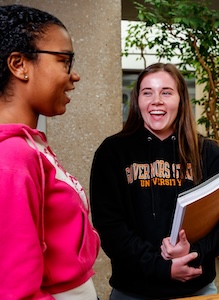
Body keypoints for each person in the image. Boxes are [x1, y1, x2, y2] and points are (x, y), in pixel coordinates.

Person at [90, 62, 219, 299]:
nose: (156, 100)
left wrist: (193, 253)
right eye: (147, 92)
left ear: (181, 99)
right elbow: (110, 227)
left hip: (197, 290)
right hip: (132, 291)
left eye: (166, 92)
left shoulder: (208, 152)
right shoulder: (113, 152)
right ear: (137, 101)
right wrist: (161, 268)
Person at [0, 4, 100, 299]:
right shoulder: (13, 158)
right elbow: (15, 290)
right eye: (64, 61)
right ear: (19, 65)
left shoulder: (31, 145)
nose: (74, 75)